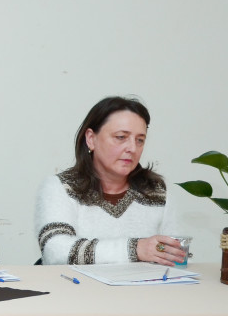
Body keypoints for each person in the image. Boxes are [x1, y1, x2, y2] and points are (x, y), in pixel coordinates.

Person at [35, 96, 185, 266]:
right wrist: (135, 249)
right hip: (79, 290)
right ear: (91, 139)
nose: (132, 148)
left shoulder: (158, 192)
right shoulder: (60, 188)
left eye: (140, 140)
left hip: (143, 291)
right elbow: (55, 251)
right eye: (121, 137)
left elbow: (174, 257)